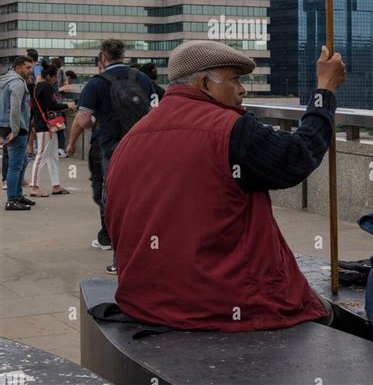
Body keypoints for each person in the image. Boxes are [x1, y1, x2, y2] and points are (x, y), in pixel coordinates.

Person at [106, 40, 346, 331]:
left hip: (145, 300)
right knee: (327, 314)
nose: (242, 90)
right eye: (235, 80)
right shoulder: (229, 129)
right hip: (220, 303)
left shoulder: (134, 136)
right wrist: (325, 90)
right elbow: (298, 156)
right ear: (205, 83)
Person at [66, 39, 155, 267]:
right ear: (123, 55)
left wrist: (96, 122)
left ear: (102, 58)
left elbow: (83, 119)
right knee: (143, 197)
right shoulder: (141, 78)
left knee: (115, 198)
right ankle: (148, 251)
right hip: (143, 147)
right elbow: (156, 112)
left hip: (112, 148)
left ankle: (119, 258)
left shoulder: (97, 83)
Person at [30, 65, 76, 197]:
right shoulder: (47, 87)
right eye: (55, 76)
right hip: (46, 126)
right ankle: (35, 186)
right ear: (49, 76)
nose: (56, 79)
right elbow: (52, 106)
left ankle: (56, 185)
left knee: (52, 156)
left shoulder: (37, 86)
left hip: (43, 124)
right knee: (41, 156)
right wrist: (68, 105)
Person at [0, 57, 35, 210]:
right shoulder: (18, 83)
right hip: (16, 127)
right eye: (27, 68)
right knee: (15, 165)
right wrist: (15, 131)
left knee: (22, 162)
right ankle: (12, 200)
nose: (30, 71)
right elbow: (15, 108)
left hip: (6, 125)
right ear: (18, 67)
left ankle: (18, 196)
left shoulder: (5, 80)